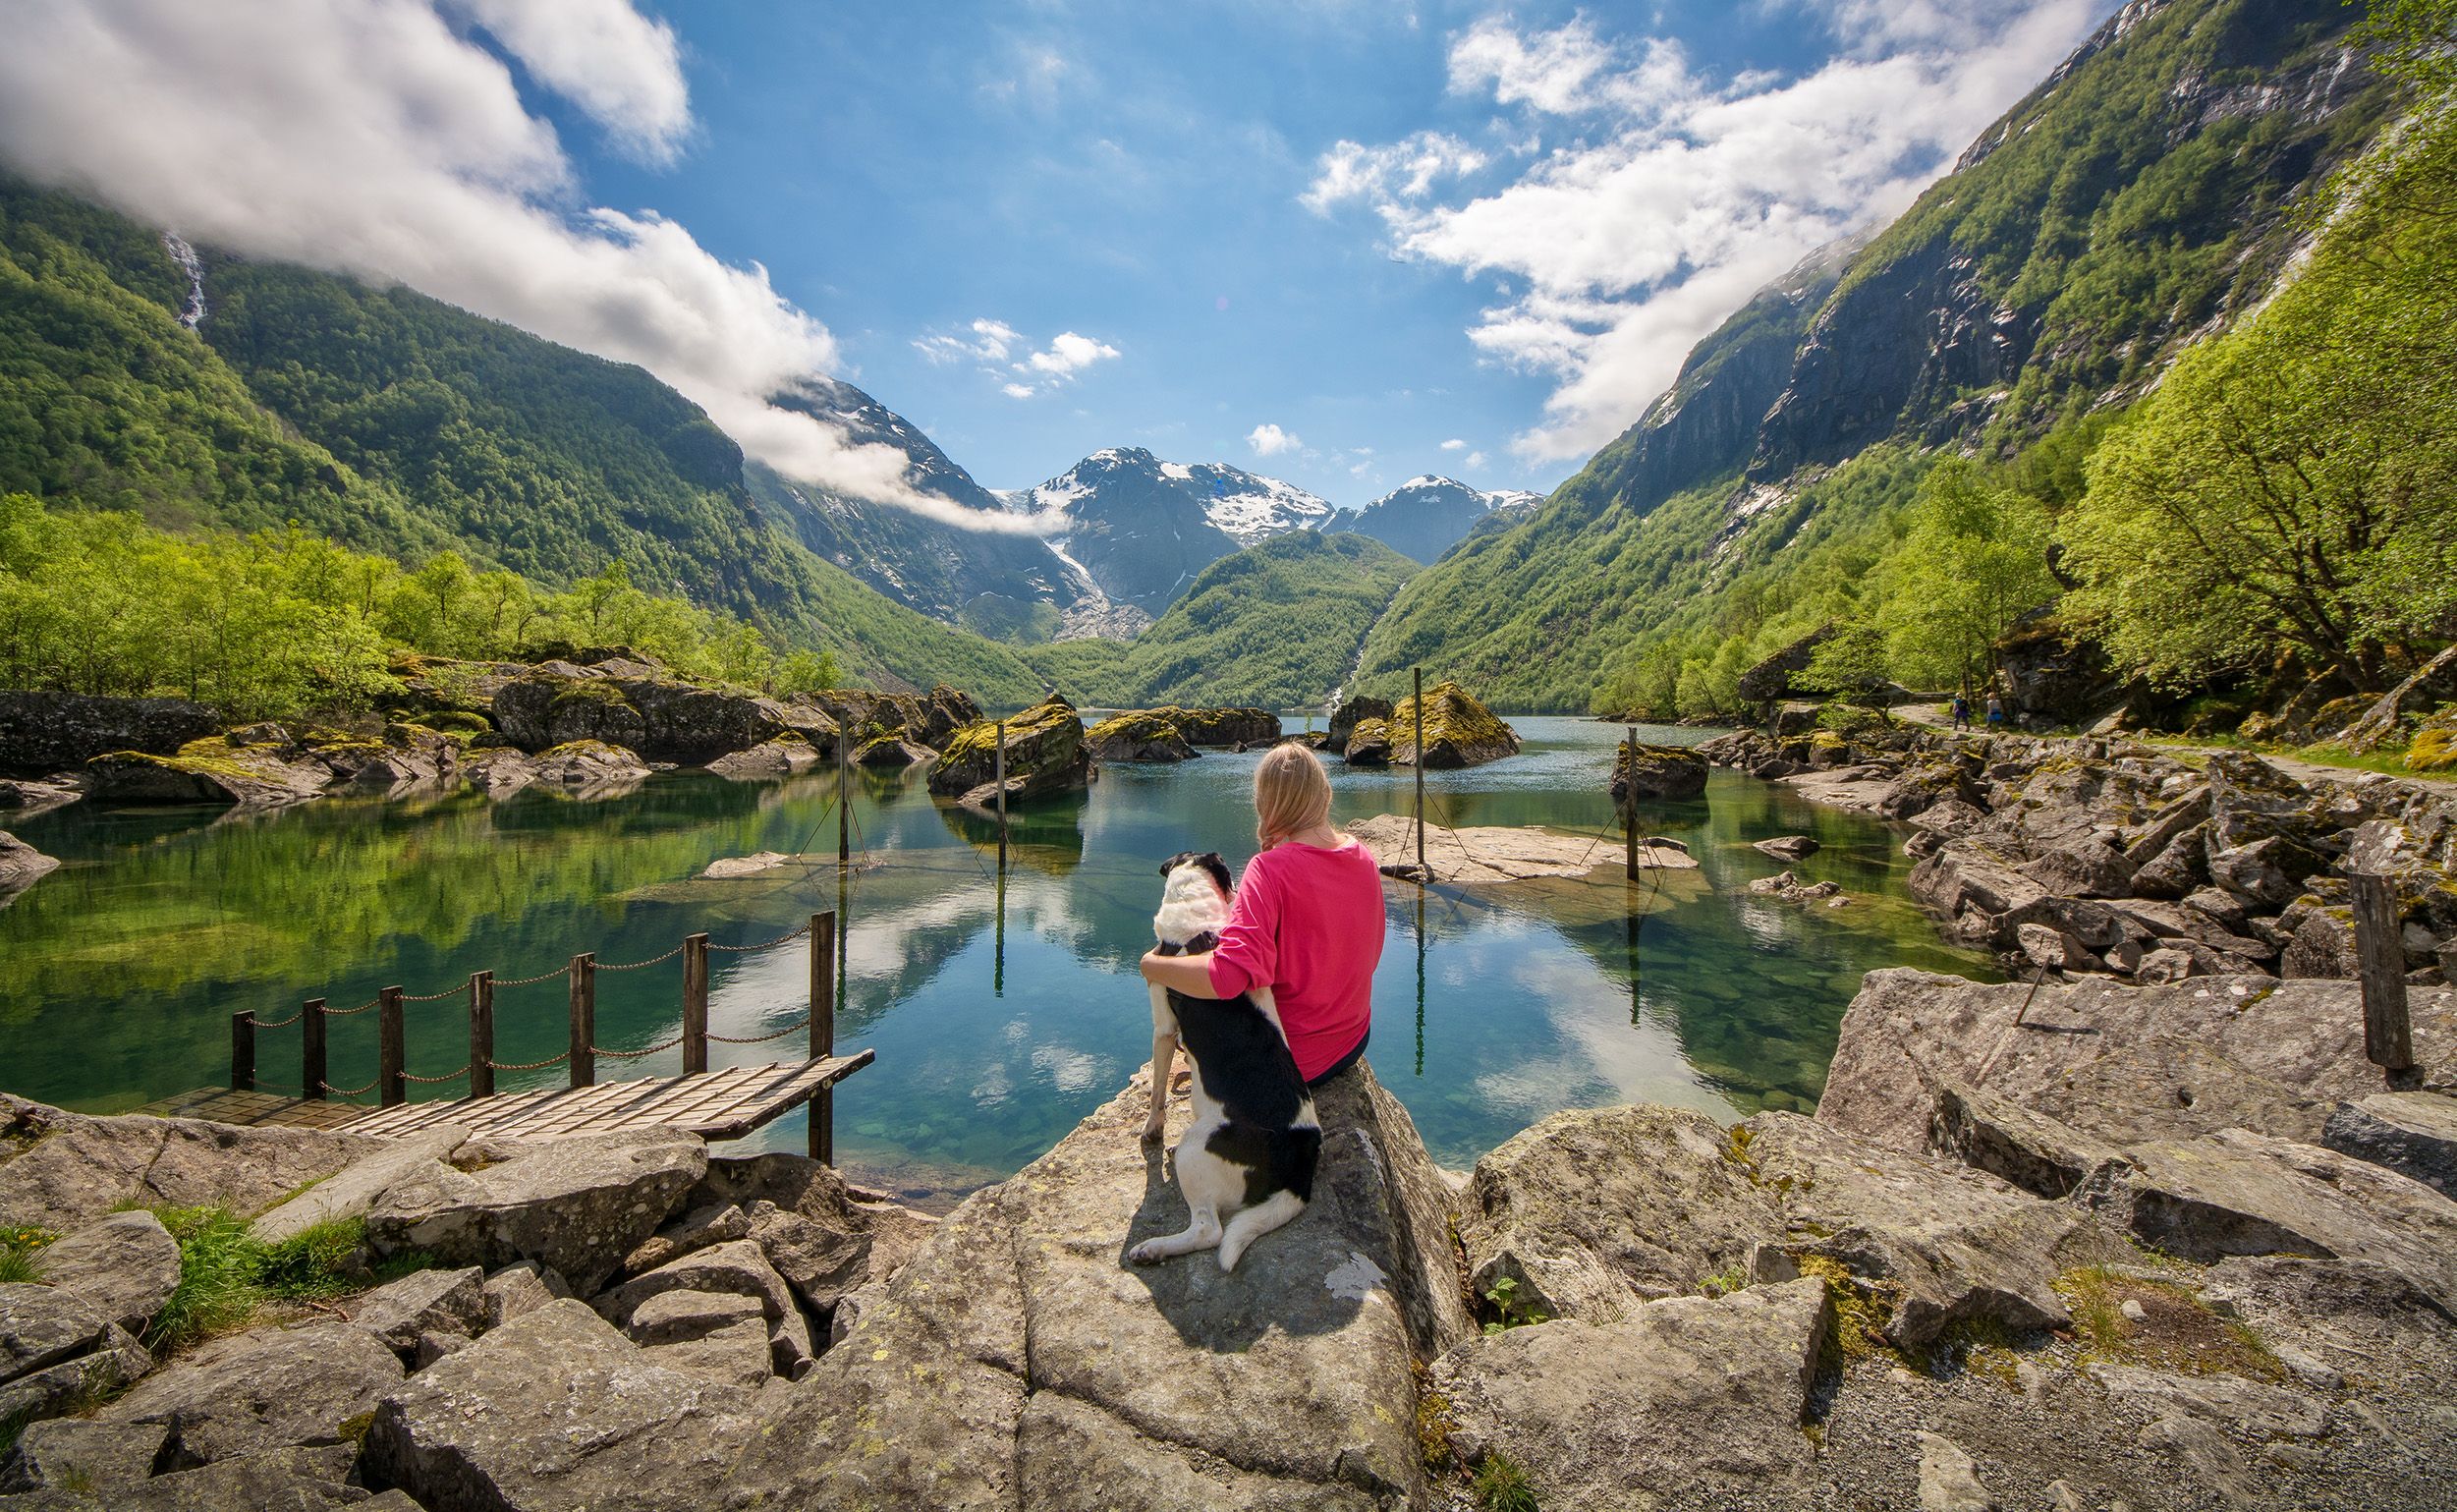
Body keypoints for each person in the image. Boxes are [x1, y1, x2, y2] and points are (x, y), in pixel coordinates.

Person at [1139, 743, 1382, 1088]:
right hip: (1353, 1041)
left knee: (1192, 971)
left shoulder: (1268, 869)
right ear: (1324, 794)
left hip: (1288, 1062)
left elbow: (1228, 978)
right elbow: (1369, 953)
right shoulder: (1362, 856)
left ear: (1267, 803)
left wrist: (1151, 965)